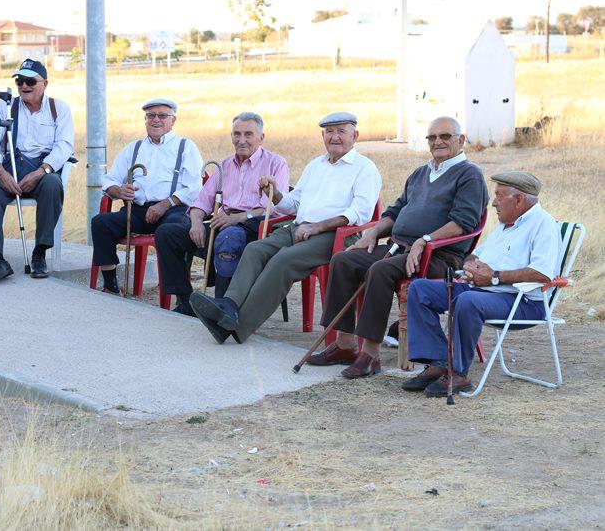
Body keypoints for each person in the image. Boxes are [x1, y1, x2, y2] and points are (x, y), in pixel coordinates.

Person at [308, 116, 489, 378]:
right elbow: (394, 211)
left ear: (460, 140)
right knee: (344, 260)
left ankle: (370, 354)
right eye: (432, 137)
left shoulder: (469, 174)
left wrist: (425, 240)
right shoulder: (420, 172)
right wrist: (373, 233)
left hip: (438, 255)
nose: (437, 142)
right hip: (400, 248)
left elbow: (464, 222)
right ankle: (344, 345)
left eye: (445, 136)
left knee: (380, 270)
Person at [190, 112, 382, 344]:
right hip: (299, 228)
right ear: (323, 135)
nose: (335, 137)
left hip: (336, 236)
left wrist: (318, 227)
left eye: (341, 131)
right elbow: (294, 203)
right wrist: (275, 192)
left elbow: (359, 213)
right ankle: (229, 306)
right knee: (256, 250)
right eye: (329, 132)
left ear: (355, 135)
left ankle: (237, 327)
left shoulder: (364, 168)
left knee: (282, 261)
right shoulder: (316, 165)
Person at [402, 172, 559, 396]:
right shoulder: (506, 224)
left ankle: (458, 373)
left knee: (468, 300)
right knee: (419, 289)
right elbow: (475, 256)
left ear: (519, 200)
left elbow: (542, 273)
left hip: (521, 302)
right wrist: (471, 267)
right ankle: (438, 362)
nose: (493, 202)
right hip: (483, 290)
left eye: (499, 196)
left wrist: (494, 276)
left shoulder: (543, 225)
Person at [154, 112, 289, 315]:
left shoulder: (276, 163)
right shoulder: (225, 165)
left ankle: (222, 307)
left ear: (261, 137)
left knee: (230, 236)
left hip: (255, 227)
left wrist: (238, 218)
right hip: (221, 222)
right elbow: (201, 202)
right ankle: (185, 300)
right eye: (237, 134)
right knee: (167, 233)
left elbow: (272, 207)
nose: (241, 140)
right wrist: (197, 222)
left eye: (248, 134)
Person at [0, 58, 74, 282]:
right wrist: (1, 173)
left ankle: (40, 253)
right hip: (9, 168)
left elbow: (64, 145)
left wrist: (41, 172)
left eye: (30, 81)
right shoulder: (4, 106)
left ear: (44, 83)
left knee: (53, 185)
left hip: (41, 168)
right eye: (20, 81)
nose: (24, 86)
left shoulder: (59, 109)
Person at [91, 98, 203, 294]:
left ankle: (181, 296)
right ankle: (111, 285)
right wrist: (119, 191)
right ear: (145, 119)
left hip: (172, 210)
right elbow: (109, 180)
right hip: (137, 211)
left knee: (172, 230)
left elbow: (194, 188)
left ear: (173, 121)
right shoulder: (134, 148)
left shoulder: (186, 147)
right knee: (101, 223)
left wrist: (165, 204)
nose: (156, 120)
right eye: (151, 116)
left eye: (162, 116)